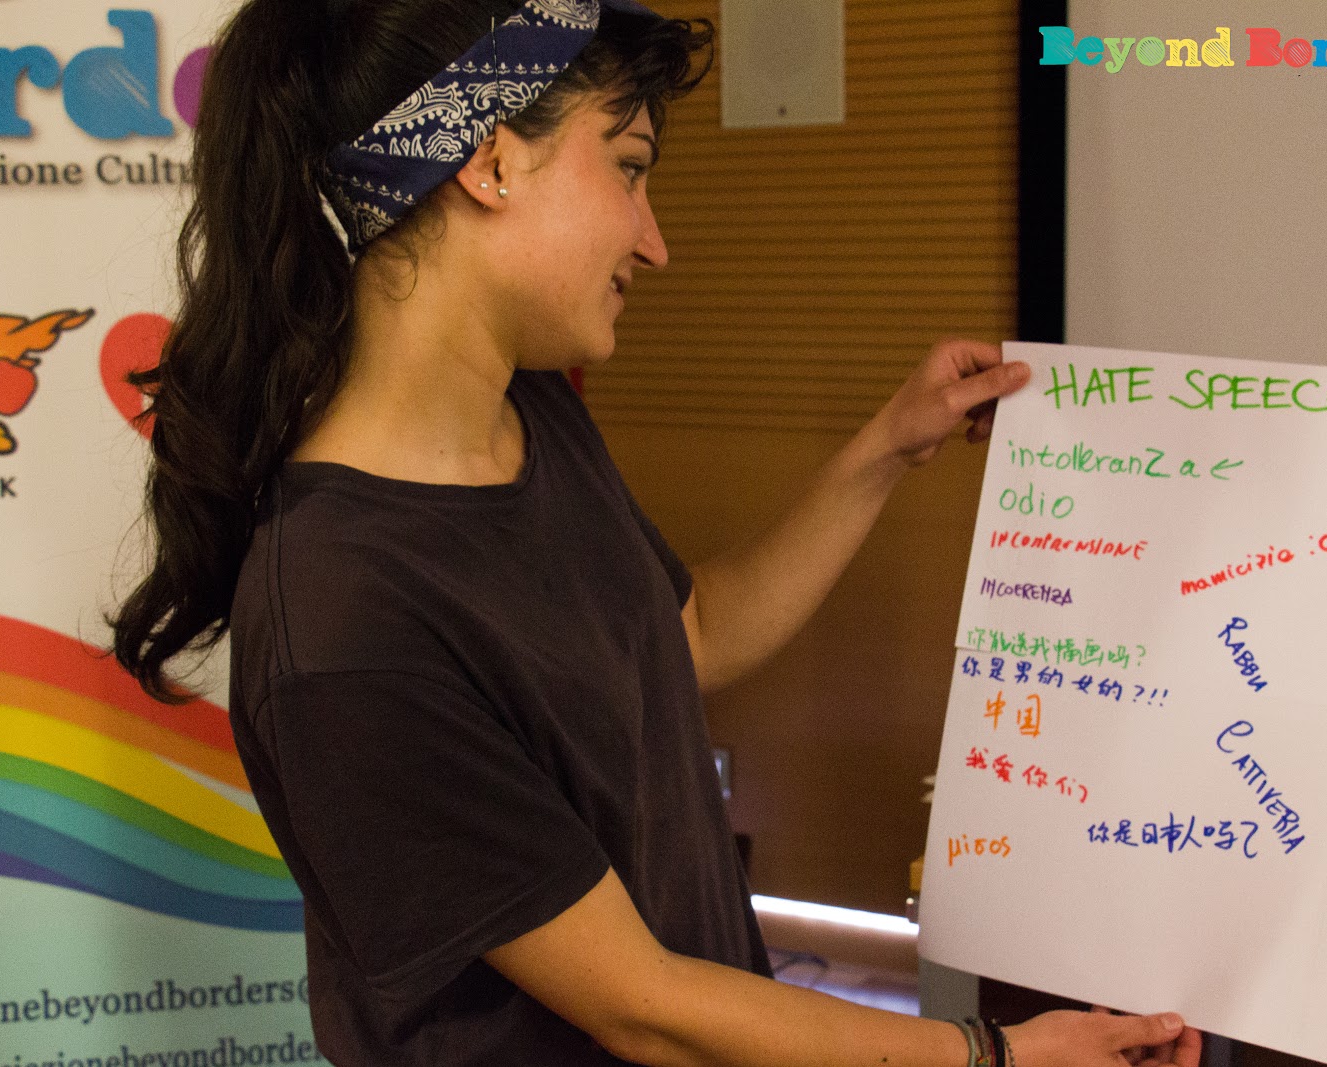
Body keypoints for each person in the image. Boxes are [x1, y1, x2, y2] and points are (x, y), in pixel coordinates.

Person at [110, 1, 1203, 1064]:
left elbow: (689, 633)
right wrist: (994, 1053)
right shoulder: (344, 622)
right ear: (490, 162)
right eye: (628, 168)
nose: (656, 242)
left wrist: (887, 447)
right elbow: (645, 1008)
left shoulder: (530, 412)